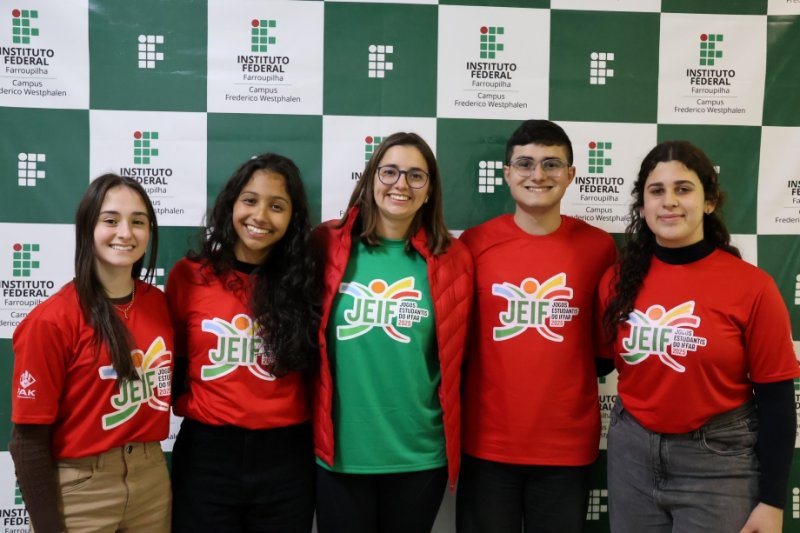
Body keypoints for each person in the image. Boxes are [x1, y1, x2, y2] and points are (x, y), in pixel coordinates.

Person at [599, 140, 799, 533]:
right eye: (657, 191)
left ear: (709, 202)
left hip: (718, 462)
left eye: (683, 189)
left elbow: (777, 401)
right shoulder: (616, 281)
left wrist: (773, 502)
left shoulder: (752, 287)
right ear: (642, 206)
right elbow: (599, 362)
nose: (669, 201)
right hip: (631, 457)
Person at [456, 119, 617, 533]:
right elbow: (457, 345)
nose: (538, 175)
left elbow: (603, 353)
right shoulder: (472, 244)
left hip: (566, 448)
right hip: (487, 444)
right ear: (507, 173)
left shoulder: (599, 247)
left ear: (571, 174)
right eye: (525, 164)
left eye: (551, 164)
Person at [313, 132, 474, 533]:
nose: (401, 184)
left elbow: (461, 356)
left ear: (429, 190)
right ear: (371, 179)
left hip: (419, 456)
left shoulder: (453, 258)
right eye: (389, 172)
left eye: (416, 175)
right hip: (340, 456)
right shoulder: (326, 243)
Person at [10, 173, 172, 532]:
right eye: (111, 220)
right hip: (81, 488)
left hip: (152, 481)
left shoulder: (160, 304)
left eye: (138, 222)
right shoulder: (51, 320)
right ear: (87, 228)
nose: (125, 233)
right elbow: (28, 441)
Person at [167, 153, 319, 532]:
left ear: (293, 217)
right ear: (231, 204)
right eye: (250, 200)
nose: (260, 216)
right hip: (207, 455)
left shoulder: (308, 283)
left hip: (287, 458)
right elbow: (174, 367)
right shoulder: (189, 276)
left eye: (277, 206)